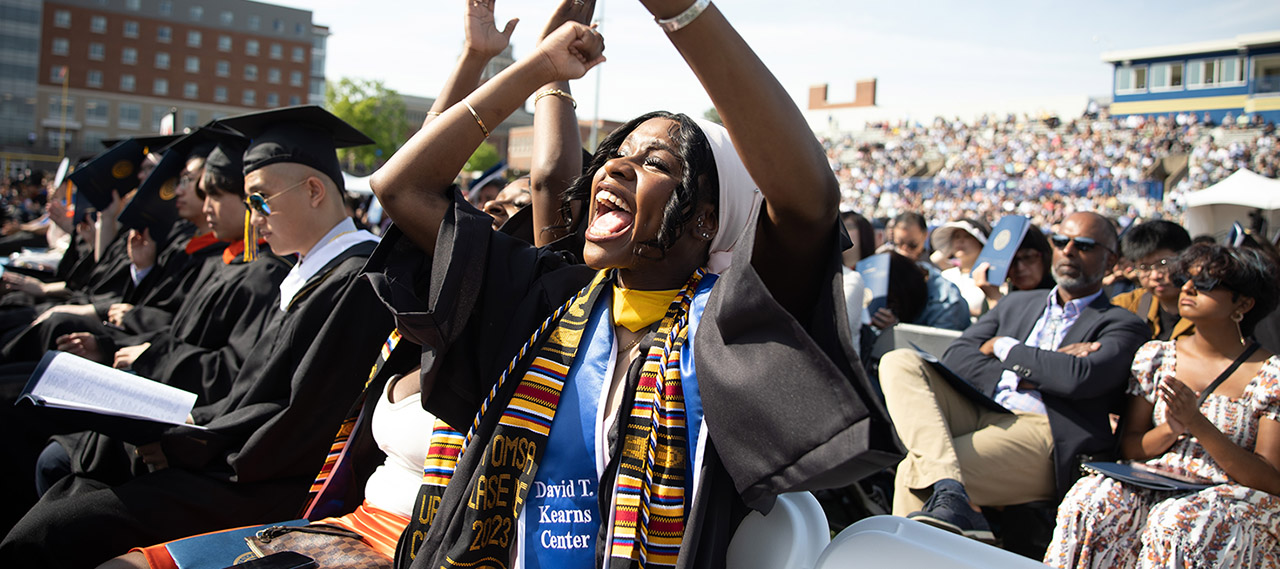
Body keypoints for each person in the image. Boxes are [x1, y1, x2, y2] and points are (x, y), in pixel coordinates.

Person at [368, 1, 893, 567]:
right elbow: (403, 187)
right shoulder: (548, 299)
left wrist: (682, 12)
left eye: (656, 163)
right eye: (614, 156)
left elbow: (808, 202)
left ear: (706, 221)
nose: (613, 168)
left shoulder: (732, 332)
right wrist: (538, 68)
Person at [0, 106, 395, 568]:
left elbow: (296, 423)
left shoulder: (354, 281)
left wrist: (182, 442)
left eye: (261, 200)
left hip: (266, 485)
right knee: (74, 483)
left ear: (313, 190)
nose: (254, 217)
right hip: (236, 457)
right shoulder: (313, 273)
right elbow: (256, 397)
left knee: (61, 527)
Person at [878, 211, 1149, 542]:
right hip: (986, 409)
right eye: (1061, 241)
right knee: (900, 361)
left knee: (917, 470)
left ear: (1111, 260)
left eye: (1085, 245)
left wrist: (1006, 347)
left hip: (1049, 431)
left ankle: (945, 499)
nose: (1069, 251)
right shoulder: (1018, 303)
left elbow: (1078, 377)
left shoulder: (1123, 323)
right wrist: (1040, 369)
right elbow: (957, 358)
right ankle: (950, 494)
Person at [1045, 243, 1280, 568]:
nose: (1187, 288)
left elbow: (1270, 478)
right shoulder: (1157, 356)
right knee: (1091, 497)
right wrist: (1172, 428)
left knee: (1178, 521)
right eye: (1186, 278)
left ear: (1243, 303)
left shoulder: (1271, 374)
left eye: (1206, 283)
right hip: (1160, 480)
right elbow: (1131, 446)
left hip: (1232, 495)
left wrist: (1198, 423)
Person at [1111, 220, 1195, 342]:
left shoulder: (1211, 308)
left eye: (1163, 263)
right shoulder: (1128, 305)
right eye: (1144, 267)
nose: (1155, 276)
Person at [973, 225, 1055, 310]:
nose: (1020, 267)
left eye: (1028, 257)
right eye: (1012, 261)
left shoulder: (1059, 298)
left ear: (1045, 257)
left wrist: (995, 300)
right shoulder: (999, 294)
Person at [931, 218, 991, 319]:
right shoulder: (946, 276)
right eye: (956, 237)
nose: (960, 241)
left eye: (967, 236)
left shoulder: (989, 279)